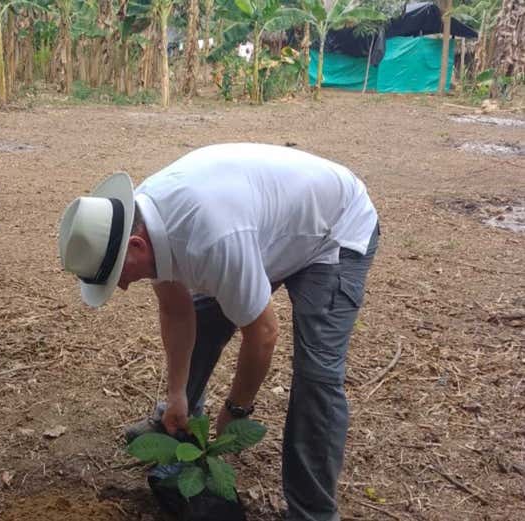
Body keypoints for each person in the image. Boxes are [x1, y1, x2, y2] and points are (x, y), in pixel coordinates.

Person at [58, 143, 379, 521]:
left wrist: (236, 410)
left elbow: (262, 334)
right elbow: (176, 312)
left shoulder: (210, 237)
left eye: (119, 276)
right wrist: (177, 393)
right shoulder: (141, 218)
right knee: (205, 319)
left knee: (317, 377)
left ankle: (314, 512)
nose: (124, 287)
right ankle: (178, 418)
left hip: (334, 229)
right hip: (265, 229)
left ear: (136, 244)